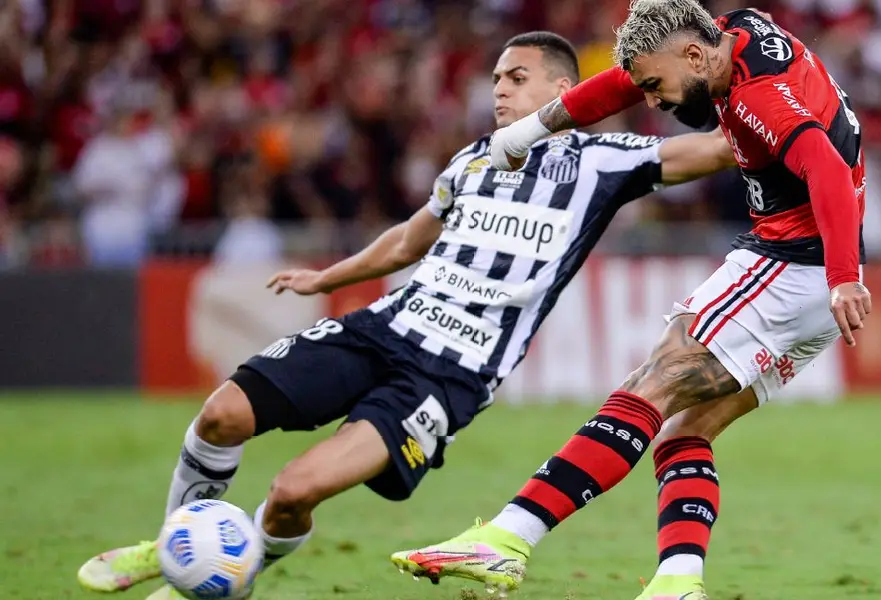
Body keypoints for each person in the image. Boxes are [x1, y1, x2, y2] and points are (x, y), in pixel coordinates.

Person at [75, 31, 737, 600]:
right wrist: (329, 276)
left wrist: (770, 95)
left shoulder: (605, 162)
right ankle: (175, 541)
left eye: (516, 77)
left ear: (563, 89)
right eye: (496, 78)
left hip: (447, 377)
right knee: (221, 413)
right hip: (382, 328)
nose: (499, 90)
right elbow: (407, 240)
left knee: (290, 493)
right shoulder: (473, 159)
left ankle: (231, 570)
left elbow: (717, 150)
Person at [391, 3, 870, 599]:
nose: (652, 102)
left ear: (695, 56)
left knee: (651, 383)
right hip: (808, 281)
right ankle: (678, 583)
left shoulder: (756, 98)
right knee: (680, 434)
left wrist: (843, 276)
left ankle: (508, 538)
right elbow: (618, 83)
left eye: (656, 87)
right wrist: (525, 132)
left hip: (792, 265)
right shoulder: (733, 33)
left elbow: (823, 162)